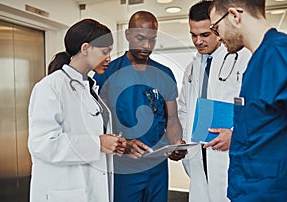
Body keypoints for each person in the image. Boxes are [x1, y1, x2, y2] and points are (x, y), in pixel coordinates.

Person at [28, 18, 127, 202]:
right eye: (104, 52)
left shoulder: (89, 87)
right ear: (85, 48)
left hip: (90, 186)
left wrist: (111, 143)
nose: (109, 59)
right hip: (64, 190)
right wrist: (97, 143)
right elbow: (42, 144)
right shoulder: (50, 86)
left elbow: (90, 131)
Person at [94, 11, 186, 202]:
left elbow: (172, 118)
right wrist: (121, 144)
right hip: (123, 166)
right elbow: (97, 122)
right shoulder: (108, 72)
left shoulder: (164, 73)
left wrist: (176, 143)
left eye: (152, 40)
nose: (146, 46)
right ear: (128, 35)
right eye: (140, 38)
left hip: (157, 165)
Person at [209, 0, 287, 201]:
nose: (218, 37)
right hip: (248, 189)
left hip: (270, 192)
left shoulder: (279, 52)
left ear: (234, 15)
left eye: (216, 28)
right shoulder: (257, 60)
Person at [178, 1, 251, 202]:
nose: (198, 41)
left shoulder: (242, 58)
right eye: (193, 34)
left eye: (204, 35)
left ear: (217, 30)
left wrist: (235, 135)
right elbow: (184, 109)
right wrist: (183, 141)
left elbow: (256, 110)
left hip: (229, 153)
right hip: (198, 154)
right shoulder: (192, 68)